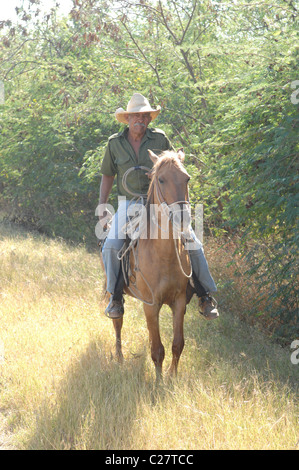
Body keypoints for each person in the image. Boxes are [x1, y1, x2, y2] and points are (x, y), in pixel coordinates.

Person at [98, 93, 219, 320]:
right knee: (111, 245)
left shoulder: (160, 139)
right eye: (136, 116)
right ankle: (115, 297)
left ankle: (205, 295)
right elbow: (107, 175)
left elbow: (174, 164)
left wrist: (160, 172)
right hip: (129, 202)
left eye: (144, 116)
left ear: (149, 119)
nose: (140, 120)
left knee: (193, 240)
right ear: (127, 118)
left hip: (161, 201)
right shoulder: (114, 143)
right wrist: (102, 205)